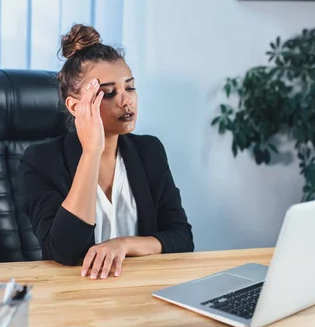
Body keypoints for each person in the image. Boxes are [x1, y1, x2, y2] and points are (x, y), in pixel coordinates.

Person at [19, 24, 194, 280]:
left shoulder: (149, 151)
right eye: (110, 93)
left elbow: (181, 238)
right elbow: (64, 251)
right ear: (75, 106)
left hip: (139, 289)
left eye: (130, 88)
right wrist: (92, 151)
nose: (126, 101)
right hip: (74, 294)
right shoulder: (40, 161)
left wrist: (123, 244)